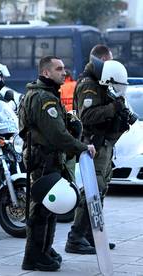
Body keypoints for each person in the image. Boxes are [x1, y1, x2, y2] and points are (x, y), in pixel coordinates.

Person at [18, 55, 96, 271]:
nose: (64, 72)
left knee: (50, 206)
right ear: (46, 73)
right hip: (43, 159)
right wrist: (82, 147)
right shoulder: (44, 99)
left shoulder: (47, 94)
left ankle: (44, 249)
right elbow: (57, 135)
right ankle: (33, 256)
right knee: (42, 209)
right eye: (59, 69)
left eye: (64, 68)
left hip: (48, 157)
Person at [65, 45, 127, 254]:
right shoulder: (88, 84)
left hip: (104, 146)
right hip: (94, 145)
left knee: (100, 192)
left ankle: (92, 235)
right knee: (91, 191)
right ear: (101, 59)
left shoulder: (102, 83)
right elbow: (87, 116)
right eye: (108, 61)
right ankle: (75, 237)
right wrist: (112, 109)